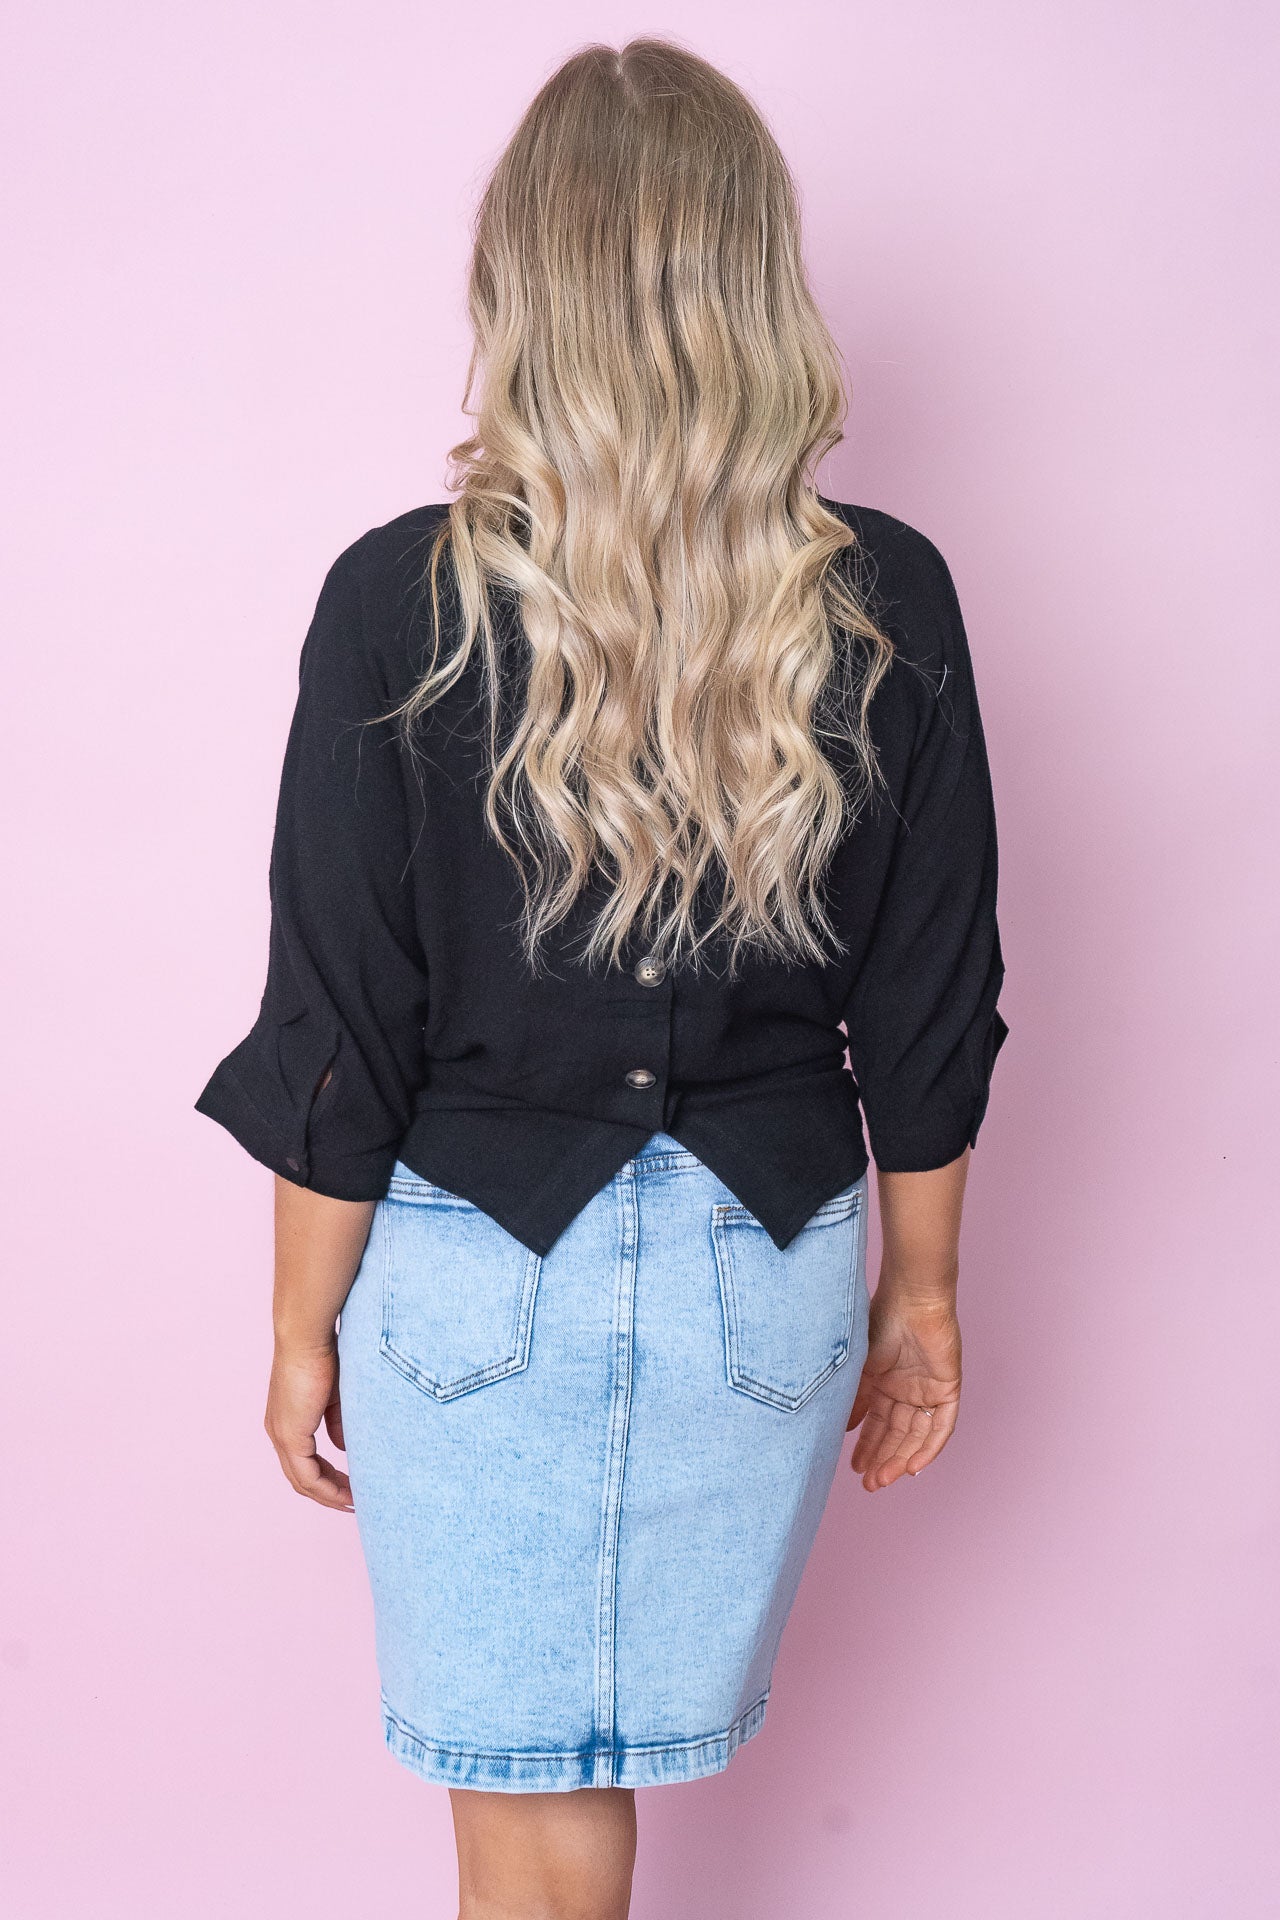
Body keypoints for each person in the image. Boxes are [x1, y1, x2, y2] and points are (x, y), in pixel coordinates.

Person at [195, 35, 1009, 1920]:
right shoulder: (890, 595)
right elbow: (930, 1000)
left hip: (475, 1278)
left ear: (521, 288)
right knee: (582, 1812)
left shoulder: (395, 599)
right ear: (757, 283)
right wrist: (925, 1296)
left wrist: (302, 1327)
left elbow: (341, 1022)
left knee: (529, 1835)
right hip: (765, 1277)